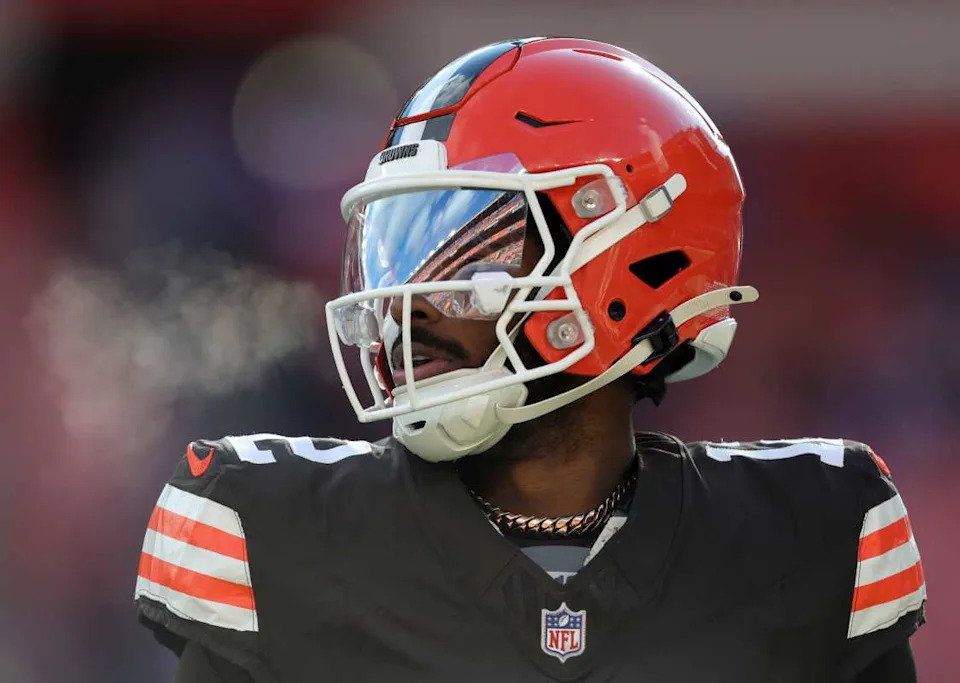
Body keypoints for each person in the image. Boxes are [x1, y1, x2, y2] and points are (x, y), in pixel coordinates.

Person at [135, 38, 926, 682]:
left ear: (630, 254)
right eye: (400, 252)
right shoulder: (276, 528)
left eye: (465, 250)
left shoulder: (809, 534)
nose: (411, 301)